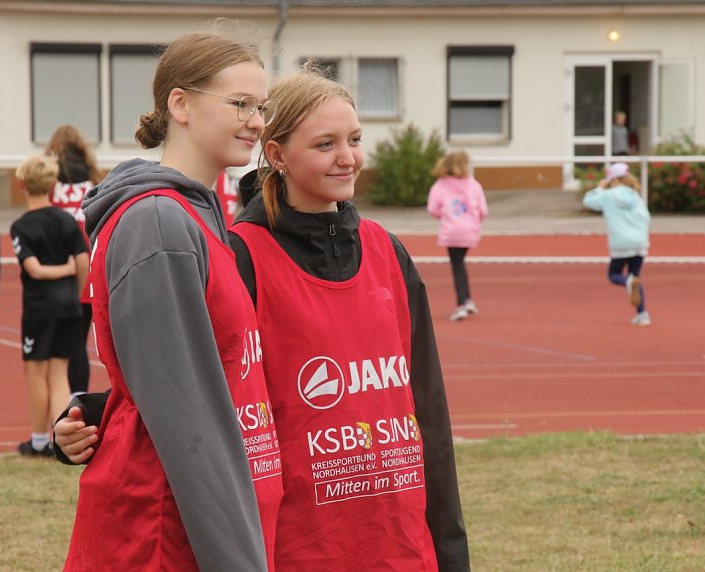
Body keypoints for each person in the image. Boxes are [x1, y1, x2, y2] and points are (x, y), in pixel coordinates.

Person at [56, 66, 470, 571]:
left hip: (399, 545)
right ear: (277, 154)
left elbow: (429, 411)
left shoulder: (389, 253)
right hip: (291, 545)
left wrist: (450, 552)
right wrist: (92, 415)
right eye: (325, 144)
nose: (348, 157)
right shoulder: (240, 256)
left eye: (355, 139)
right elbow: (197, 385)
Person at [58, 32, 281, 571]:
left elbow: (178, 373)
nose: (256, 121)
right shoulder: (159, 222)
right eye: (241, 104)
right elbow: (188, 418)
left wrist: (100, 409)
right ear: (180, 104)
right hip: (165, 530)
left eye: (262, 107)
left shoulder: (198, 216)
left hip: (200, 520)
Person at [11, 155, 89, 456]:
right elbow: (83, 262)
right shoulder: (67, 220)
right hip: (69, 305)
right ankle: (60, 441)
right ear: (53, 184)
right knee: (59, 374)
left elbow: (34, 269)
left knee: (36, 372)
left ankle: (38, 439)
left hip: (40, 308)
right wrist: (74, 289)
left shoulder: (21, 226)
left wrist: (60, 271)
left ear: (21, 185)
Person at [44, 124, 100, 397]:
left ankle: (57, 401)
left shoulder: (49, 186)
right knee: (78, 344)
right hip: (88, 274)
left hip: (57, 273)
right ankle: (78, 399)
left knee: (54, 348)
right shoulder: (94, 185)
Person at [583, 162, 651, 326]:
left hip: (621, 243)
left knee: (614, 275)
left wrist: (599, 188)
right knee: (635, 278)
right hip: (640, 242)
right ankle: (642, 314)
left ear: (613, 180)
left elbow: (588, 202)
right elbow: (646, 217)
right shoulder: (635, 195)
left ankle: (627, 283)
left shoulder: (609, 195)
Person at [427, 150, 488, 321]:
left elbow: (432, 208)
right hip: (470, 231)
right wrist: (475, 221)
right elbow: (483, 210)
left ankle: (461, 304)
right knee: (461, 264)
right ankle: (467, 299)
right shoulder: (473, 184)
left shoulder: (440, 185)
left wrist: (444, 215)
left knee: (457, 267)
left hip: (452, 231)